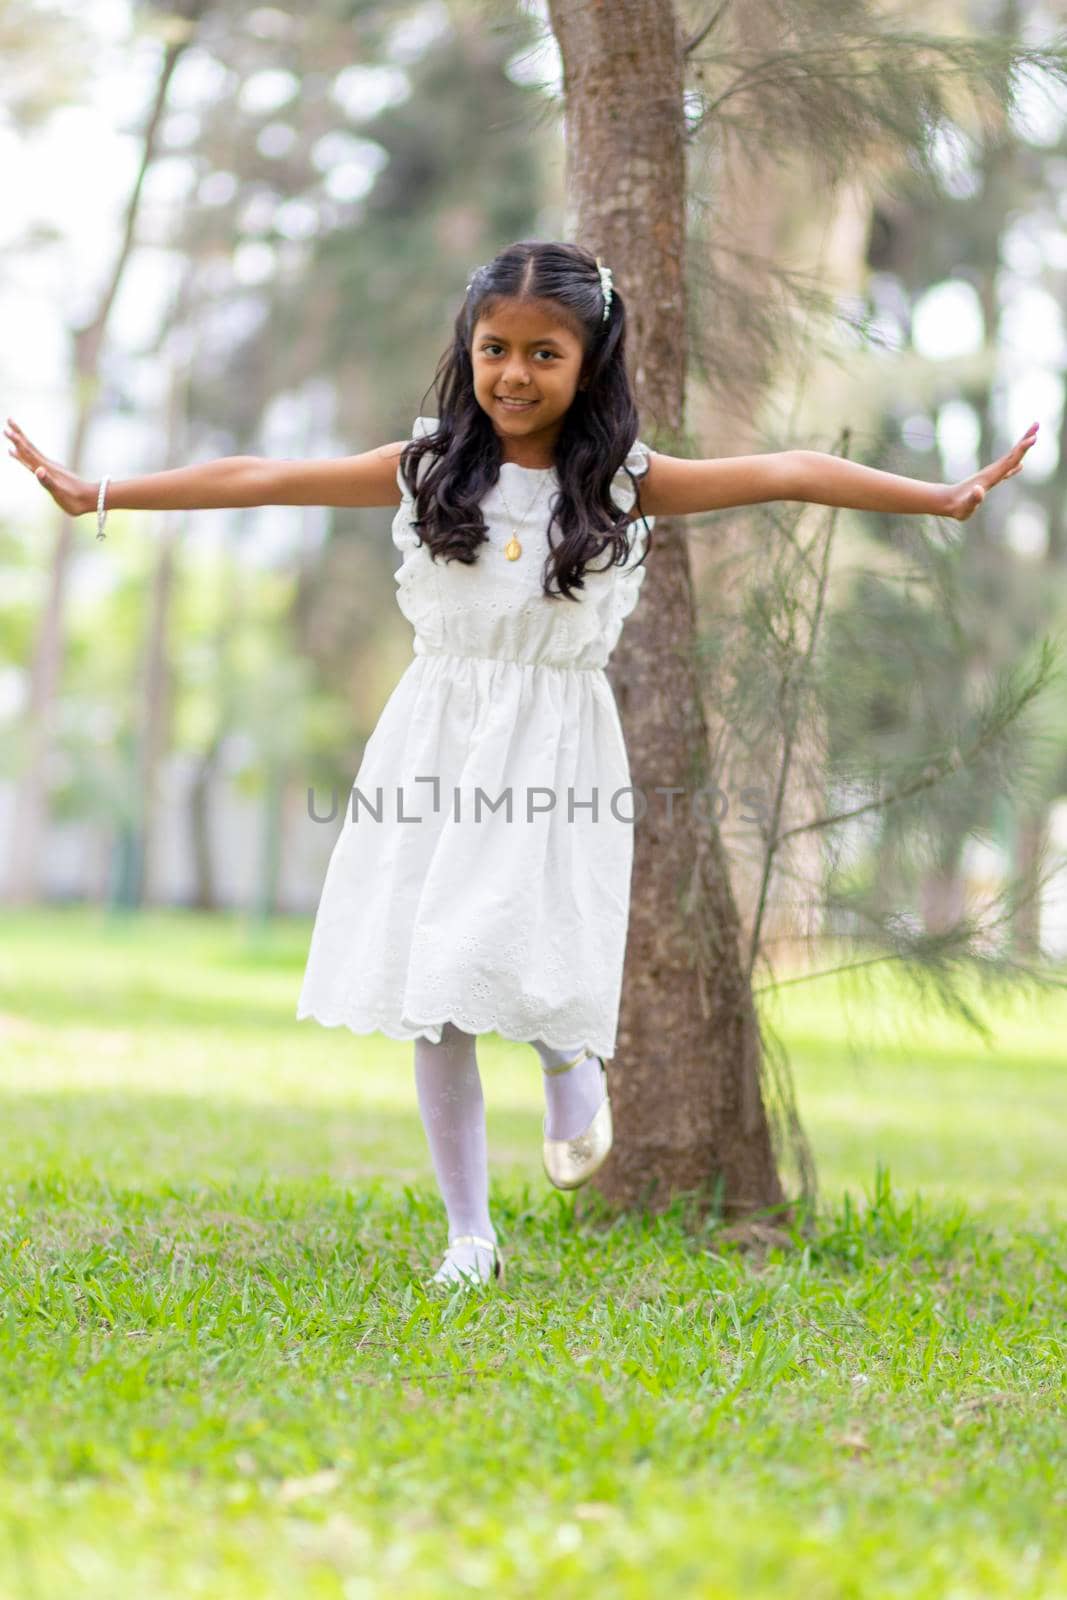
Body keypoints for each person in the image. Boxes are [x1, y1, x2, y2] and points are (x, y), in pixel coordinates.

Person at [5, 239, 1039, 1291]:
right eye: (493, 348)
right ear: (467, 349)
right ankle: (469, 1234)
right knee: (434, 985)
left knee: (522, 935)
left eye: (543, 353)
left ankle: (565, 1061)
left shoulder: (626, 487)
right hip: (435, 741)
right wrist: (99, 492)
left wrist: (939, 498)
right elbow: (261, 475)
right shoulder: (422, 470)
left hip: (558, 747)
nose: (512, 373)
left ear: (589, 363)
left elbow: (788, 472)